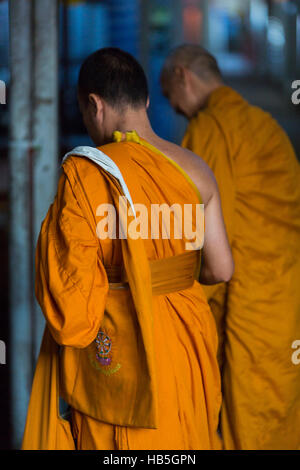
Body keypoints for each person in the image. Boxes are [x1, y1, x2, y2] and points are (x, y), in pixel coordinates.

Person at [22, 47, 234, 450]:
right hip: (184, 341)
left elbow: (71, 314)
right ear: (147, 100)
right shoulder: (195, 169)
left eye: (86, 115)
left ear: (94, 105)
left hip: (117, 356)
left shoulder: (85, 174)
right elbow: (221, 270)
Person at [160, 44, 300, 450]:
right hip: (286, 293)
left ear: (183, 76)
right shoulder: (263, 122)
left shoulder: (212, 129)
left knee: (248, 420)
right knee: (280, 414)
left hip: (250, 302)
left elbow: (209, 242)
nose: (176, 109)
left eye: (171, 96)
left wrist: (175, 310)